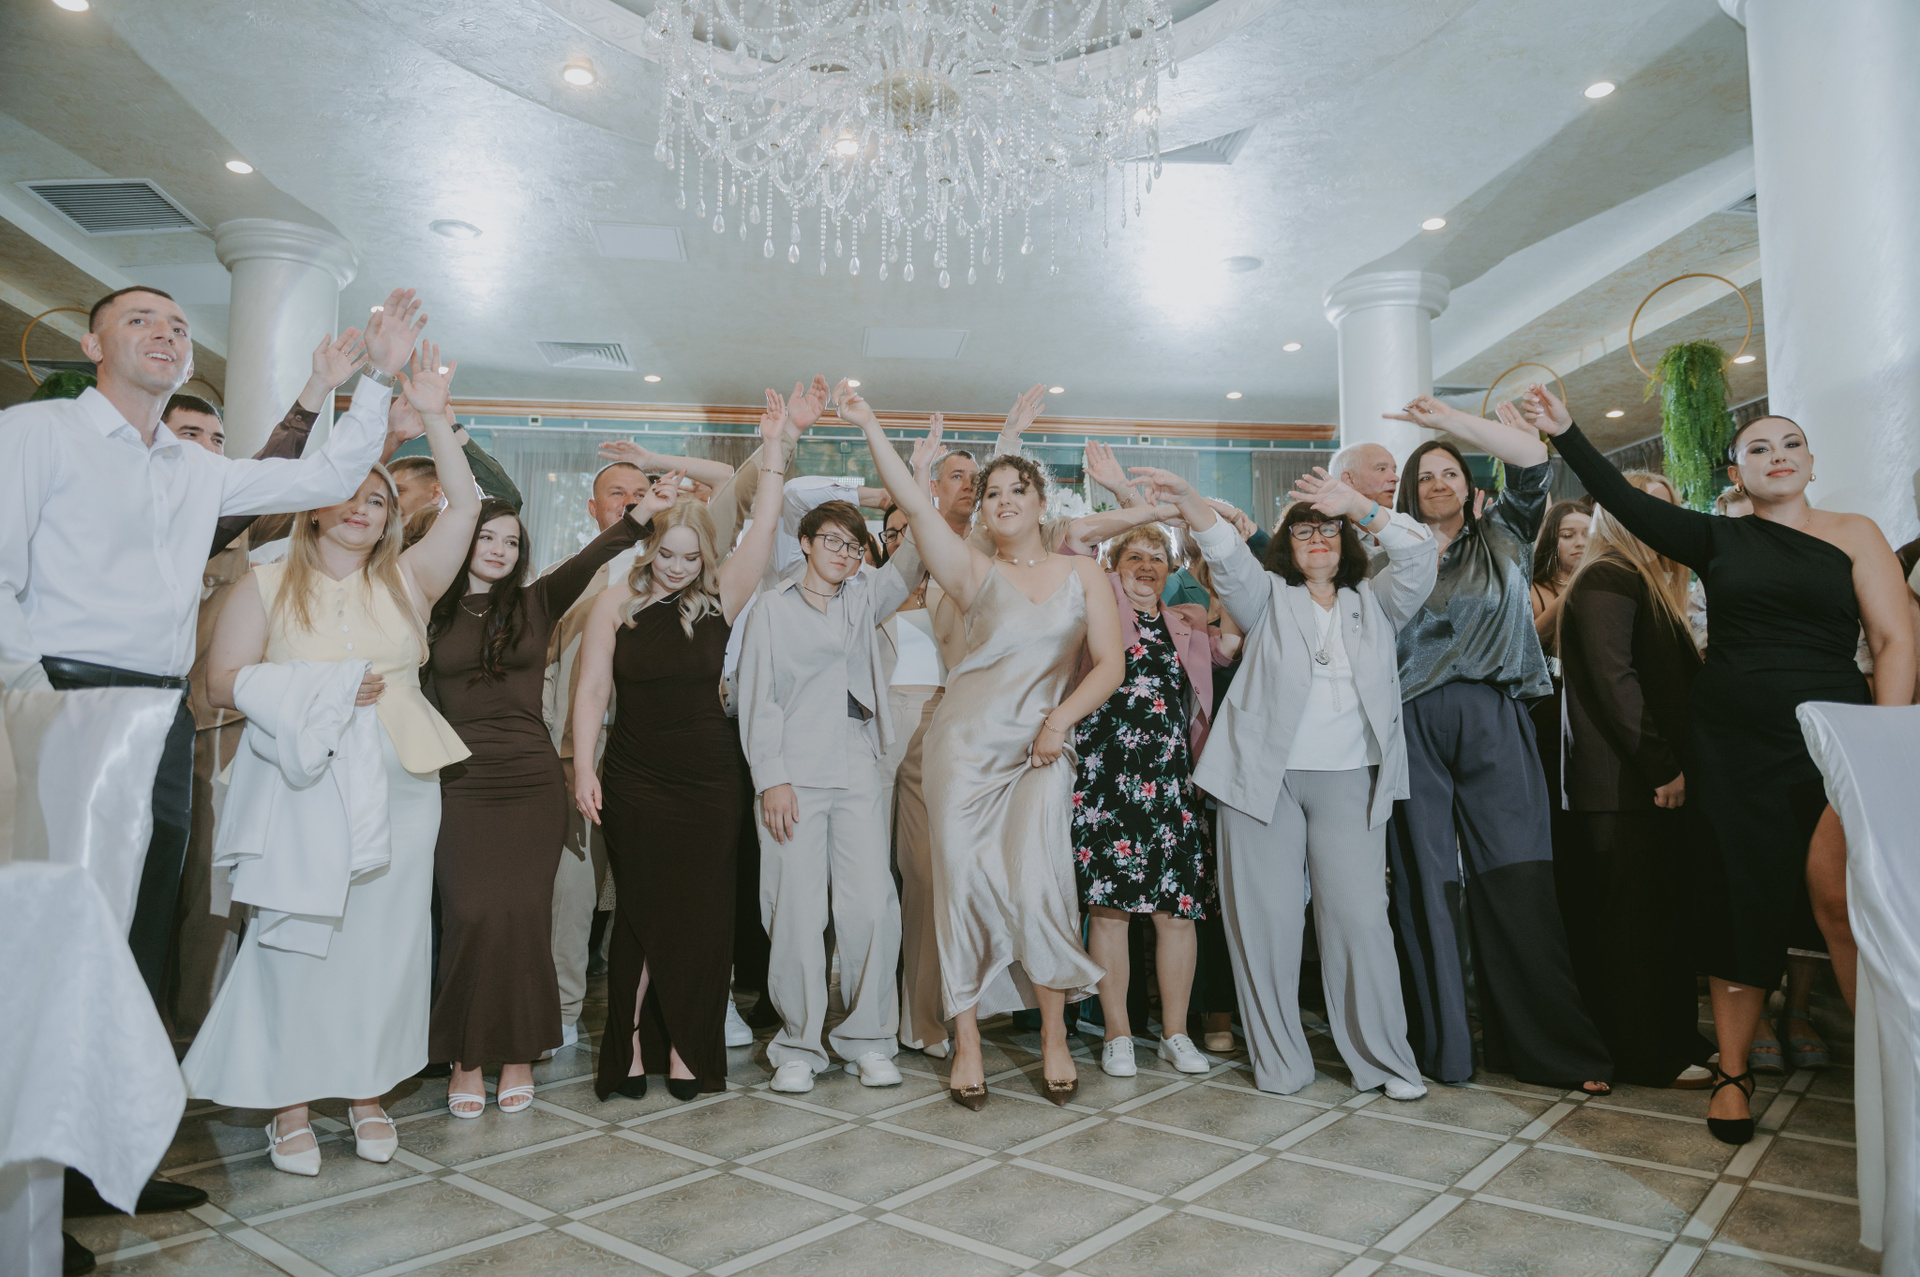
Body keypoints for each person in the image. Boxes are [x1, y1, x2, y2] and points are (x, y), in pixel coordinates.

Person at [1, 284, 425, 1239]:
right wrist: (39, 711)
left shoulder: (196, 469)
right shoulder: (34, 436)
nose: (165, 333)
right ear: (93, 344)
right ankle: (28, 1197)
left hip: (155, 713)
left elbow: (329, 474)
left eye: (180, 326)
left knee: (139, 936)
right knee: (58, 939)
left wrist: (376, 377)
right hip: (61, 698)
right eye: (141, 320)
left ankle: (103, 1163)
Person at [1523, 385, 1914, 1144]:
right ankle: (1734, 1074)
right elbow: (1621, 502)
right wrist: (1566, 431)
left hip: (1836, 738)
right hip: (1733, 744)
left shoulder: (1857, 534)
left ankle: (1892, 1069)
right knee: (1740, 900)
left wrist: (1884, 746)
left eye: (1790, 444)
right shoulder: (1716, 537)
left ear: (1811, 463)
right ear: (1737, 473)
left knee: (1844, 901)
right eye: (1758, 448)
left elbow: (1895, 641)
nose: (1778, 456)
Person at [182, 345, 478, 1175]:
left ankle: (366, 1090)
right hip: (299, 783)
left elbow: (464, 507)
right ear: (313, 507)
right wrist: (322, 691)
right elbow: (222, 681)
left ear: (389, 519)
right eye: (348, 493)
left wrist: (435, 416)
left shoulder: (410, 583)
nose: (362, 507)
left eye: (377, 499)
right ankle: (288, 1103)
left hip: (401, 782)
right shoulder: (265, 583)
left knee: (383, 947)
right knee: (295, 940)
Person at [839, 382, 1126, 1109]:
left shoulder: (1083, 572)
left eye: (1015, 489)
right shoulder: (971, 571)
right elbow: (914, 503)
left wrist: (1059, 722)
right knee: (961, 887)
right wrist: (870, 423)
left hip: (1040, 754)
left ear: (1041, 502)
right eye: (990, 492)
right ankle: (966, 1039)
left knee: (1039, 885)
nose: (1001, 500)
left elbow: (1111, 666)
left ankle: (1054, 1034)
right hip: (963, 751)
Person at [1142, 464, 1437, 1099]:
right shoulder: (1267, 597)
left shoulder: (1377, 601)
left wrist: (1356, 502)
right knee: (1266, 925)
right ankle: (1281, 1063)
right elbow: (1227, 557)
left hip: (1350, 780)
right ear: (1287, 544)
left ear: (1347, 537)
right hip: (1260, 782)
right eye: (1303, 530)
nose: (1318, 538)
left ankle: (1386, 1062)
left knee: (1361, 922)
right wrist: (1190, 501)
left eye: (1329, 528)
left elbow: (1418, 553)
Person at [1376, 396, 1612, 1094]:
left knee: (1518, 876)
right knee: (1426, 886)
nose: (1437, 484)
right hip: (1410, 721)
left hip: (1495, 714)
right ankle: (1443, 1049)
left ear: (1469, 483)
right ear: (1407, 491)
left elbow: (1535, 457)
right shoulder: (1385, 553)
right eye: (1424, 476)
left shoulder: (1506, 530)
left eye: (1449, 472)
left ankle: (1549, 1051)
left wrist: (1448, 423)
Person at [425, 473, 674, 1117]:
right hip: (457, 781)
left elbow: (596, 553)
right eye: (487, 537)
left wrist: (644, 511)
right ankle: (464, 1058)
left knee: (525, 918)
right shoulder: (428, 606)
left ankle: (518, 1054)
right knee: (469, 916)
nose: (499, 550)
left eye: (511, 541)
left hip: (531, 782)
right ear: (461, 541)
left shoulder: (535, 604)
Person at [572, 391, 787, 1101]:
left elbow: (763, 523)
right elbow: (592, 691)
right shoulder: (615, 602)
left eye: (690, 557)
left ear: (706, 557)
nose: (676, 565)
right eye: (667, 552)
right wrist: (583, 767)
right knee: (639, 913)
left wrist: (775, 451)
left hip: (710, 782)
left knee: (700, 919)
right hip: (634, 777)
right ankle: (632, 1044)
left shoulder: (724, 595)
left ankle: (691, 1046)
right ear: (649, 545)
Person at [166, 336, 375, 1044]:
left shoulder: (244, 534)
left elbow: (291, 480)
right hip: (134, 714)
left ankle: (195, 1033)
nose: (207, 449)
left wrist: (345, 409)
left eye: (216, 440)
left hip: (222, 729)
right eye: (189, 435)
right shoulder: (164, 518)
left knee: (211, 891)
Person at [737, 498, 927, 1092]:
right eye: (832, 541)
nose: (845, 553)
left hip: (857, 760)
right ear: (805, 542)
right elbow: (758, 697)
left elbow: (912, 559)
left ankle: (869, 1039)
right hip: (791, 768)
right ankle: (798, 1044)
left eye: (854, 544)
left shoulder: (865, 597)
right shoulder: (772, 607)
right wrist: (771, 778)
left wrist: (916, 484)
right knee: (795, 909)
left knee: (871, 904)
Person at [1555, 472, 1715, 1089]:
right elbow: (1615, 683)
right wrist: (1662, 766)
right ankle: (1644, 1055)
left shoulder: (1645, 580)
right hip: (1622, 784)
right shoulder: (1607, 576)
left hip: (1638, 781)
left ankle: (1672, 1038)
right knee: (1628, 929)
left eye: (1666, 508)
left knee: (1655, 919)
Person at [1070, 522, 1233, 1078]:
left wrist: (1223, 546)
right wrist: (1137, 504)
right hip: (1104, 783)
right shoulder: (1092, 610)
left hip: (1170, 785)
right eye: (1133, 557)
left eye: (1157, 557)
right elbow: (1070, 545)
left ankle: (1175, 1034)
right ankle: (1117, 1034)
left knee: (1176, 914)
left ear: (1171, 569)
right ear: (1112, 568)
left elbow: (1233, 642)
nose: (1145, 566)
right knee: (1109, 912)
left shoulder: (1187, 621)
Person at [542, 459, 660, 1048]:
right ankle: (562, 1009)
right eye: (618, 493)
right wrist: (558, 750)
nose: (631, 502)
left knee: (650, 884)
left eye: (642, 492)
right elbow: (543, 667)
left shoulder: (672, 573)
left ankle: (642, 1014)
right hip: (579, 749)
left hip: (652, 752)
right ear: (594, 507)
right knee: (573, 886)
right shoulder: (570, 577)